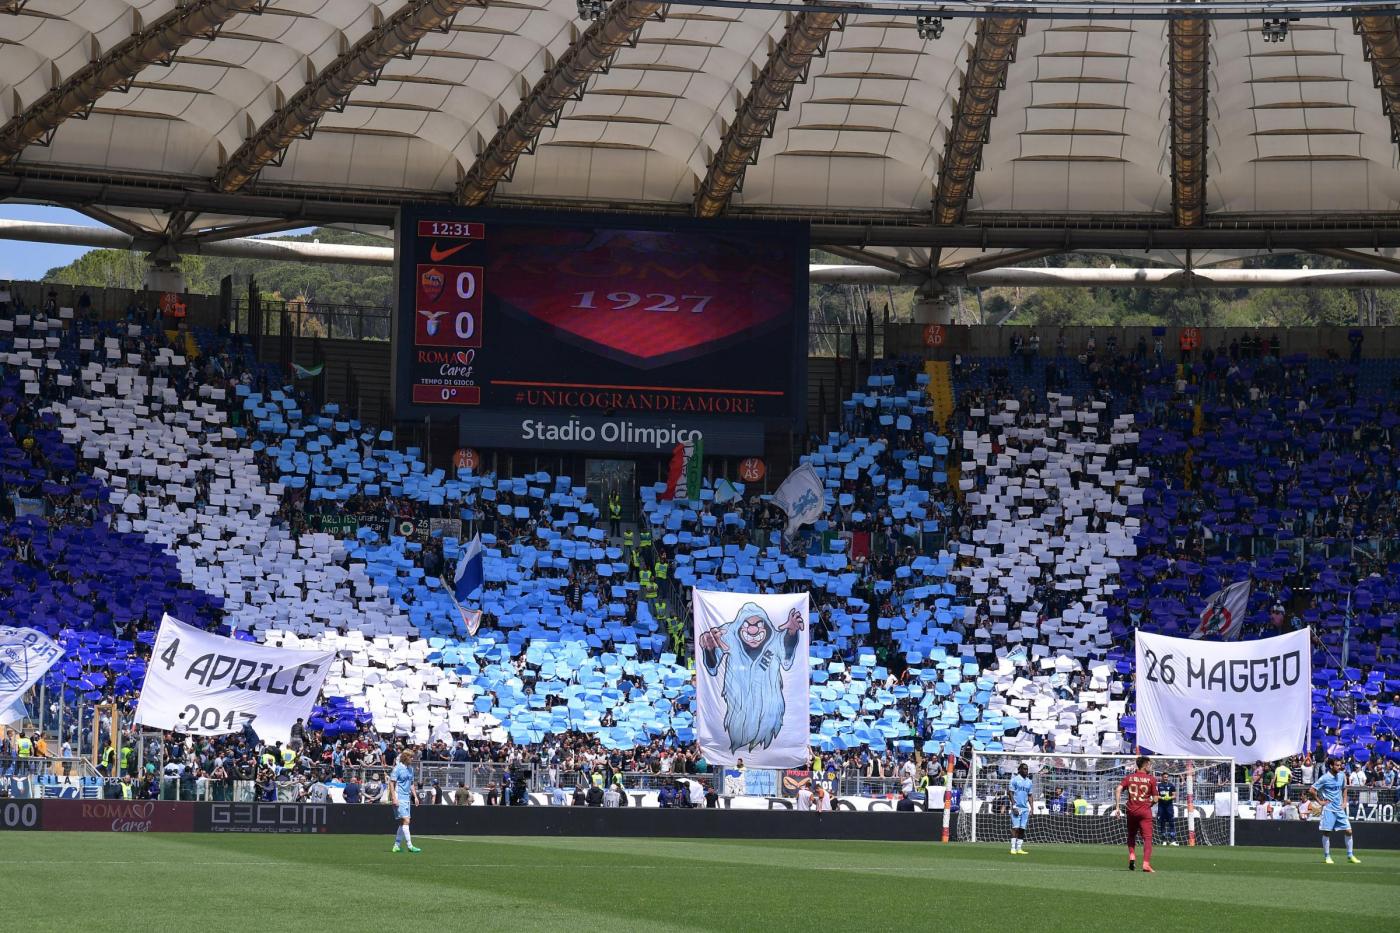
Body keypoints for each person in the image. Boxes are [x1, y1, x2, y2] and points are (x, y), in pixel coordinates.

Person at [1306, 757, 1360, 865]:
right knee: (1327, 832)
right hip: (1329, 809)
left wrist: (1344, 802)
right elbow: (1311, 790)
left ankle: (1350, 855)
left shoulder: (1341, 775)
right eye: (1337, 765)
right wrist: (1320, 801)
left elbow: (1344, 788)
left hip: (1339, 809)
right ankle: (1327, 856)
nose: (1340, 767)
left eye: (1340, 765)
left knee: (1349, 830)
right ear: (1331, 766)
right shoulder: (1324, 778)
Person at [1113, 755, 1158, 873]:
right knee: (1147, 838)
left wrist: (1117, 807)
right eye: (1149, 764)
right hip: (1144, 811)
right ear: (1146, 765)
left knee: (1132, 835)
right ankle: (1146, 864)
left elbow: (1118, 789)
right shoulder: (1151, 779)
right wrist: (1150, 804)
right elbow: (1156, 798)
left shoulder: (1129, 777)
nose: (1150, 766)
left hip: (1131, 810)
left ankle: (1132, 855)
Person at [388, 750, 421, 854]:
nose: (412, 759)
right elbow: (391, 783)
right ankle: (410, 846)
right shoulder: (397, 768)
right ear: (405, 757)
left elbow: (411, 784)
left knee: (403, 822)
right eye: (411, 757)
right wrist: (393, 797)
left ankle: (396, 845)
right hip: (399, 796)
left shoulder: (410, 769)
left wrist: (415, 796)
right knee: (406, 820)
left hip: (407, 798)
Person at [1008, 762, 1034, 855]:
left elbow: (1030, 795)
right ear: (1019, 770)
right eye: (1024, 769)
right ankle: (1012, 848)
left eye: (1027, 769)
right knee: (1015, 828)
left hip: (1025, 809)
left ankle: (1019, 848)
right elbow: (1010, 793)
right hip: (1017, 807)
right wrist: (1014, 805)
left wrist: (1032, 808)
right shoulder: (1014, 780)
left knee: (1022, 828)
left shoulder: (1029, 782)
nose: (1026, 771)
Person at [1156, 778, 1177, 846]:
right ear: (1162, 777)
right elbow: (1156, 795)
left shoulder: (1171, 785)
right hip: (1161, 807)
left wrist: (1169, 798)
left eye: (1167, 777)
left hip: (1169, 807)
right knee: (1162, 823)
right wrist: (1162, 798)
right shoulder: (1159, 786)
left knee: (1171, 823)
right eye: (1164, 777)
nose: (1166, 778)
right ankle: (1164, 841)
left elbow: (1174, 796)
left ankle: (1172, 841)